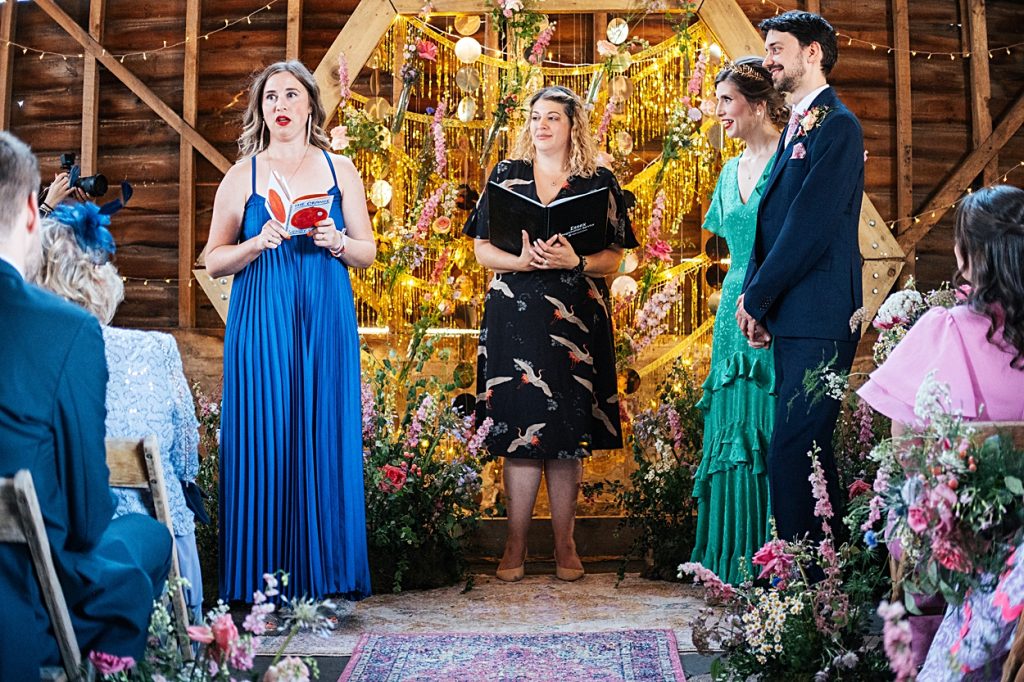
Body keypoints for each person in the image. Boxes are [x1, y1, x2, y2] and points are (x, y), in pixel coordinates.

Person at [0, 132, 171, 677]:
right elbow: (87, 516)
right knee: (146, 536)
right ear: (33, 211)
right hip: (22, 612)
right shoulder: (65, 330)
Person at [204, 60, 375, 601]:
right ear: (262, 109)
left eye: (291, 95)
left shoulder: (341, 169)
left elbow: (367, 251)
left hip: (325, 312)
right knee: (266, 431)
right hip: (262, 316)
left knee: (325, 429)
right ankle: (261, 580)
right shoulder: (243, 175)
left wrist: (338, 241)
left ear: (309, 107)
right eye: (271, 96)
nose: (280, 105)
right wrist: (256, 243)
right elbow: (213, 259)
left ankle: (329, 575)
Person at [464, 85, 638, 582]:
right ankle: (515, 544)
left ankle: (565, 543)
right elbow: (480, 248)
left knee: (566, 431)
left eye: (553, 117)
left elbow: (614, 256)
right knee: (519, 426)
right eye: (535, 117)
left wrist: (576, 260)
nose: (541, 125)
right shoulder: (507, 175)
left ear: (572, 125)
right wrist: (520, 261)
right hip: (513, 314)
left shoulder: (597, 181)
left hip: (574, 317)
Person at [858, 185, 1024, 679]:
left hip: (962, 539)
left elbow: (906, 451)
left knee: (908, 512)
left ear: (969, 256)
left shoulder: (942, 330)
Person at [35, 201, 205, 621]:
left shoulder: (33, 359)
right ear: (101, 280)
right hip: (154, 538)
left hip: (56, 548)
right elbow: (186, 456)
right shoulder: (156, 349)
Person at [736, 10, 864, 542]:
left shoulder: (838, 126)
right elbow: (771, 219)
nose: (768, 59)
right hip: (795, 315)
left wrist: (757, 298)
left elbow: (808, 226)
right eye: (767, 48)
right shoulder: (796, 124)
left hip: (821, 314)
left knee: (796, 448)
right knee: (800, 451)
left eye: (777, 48)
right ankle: (817, 572)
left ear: (812, 53)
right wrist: (756, 296)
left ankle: (803, 573)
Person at [689, 58, 789, 584]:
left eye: (727, 100)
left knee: (771, 431)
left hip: (777, 307)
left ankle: (774, 565)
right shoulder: (729, 172)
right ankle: (727, 564)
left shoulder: (791, 161)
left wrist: (767, 302)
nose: (719, 110)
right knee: (732, 433)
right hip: (732, 310)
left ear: (758, 104)